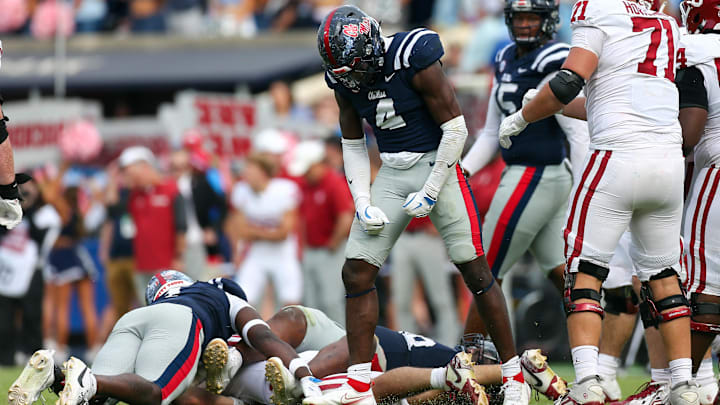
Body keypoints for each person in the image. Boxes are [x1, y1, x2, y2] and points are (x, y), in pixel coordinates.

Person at [313, 6, 528, 404]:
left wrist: (431, 190)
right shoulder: (344, 77)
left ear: (373, 47)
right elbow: (353, 143)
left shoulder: (414, 54)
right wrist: (361, 198)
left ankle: (514, 373)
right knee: (356, 272)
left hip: (438, 164)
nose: (352, 79)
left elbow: (456, 128)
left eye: (355, 68)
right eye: (343, 72)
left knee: (474, 268)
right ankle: (359, 384)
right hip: (392, 173)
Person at [498, 0, 697, 403]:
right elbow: (610, 102)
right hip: (667, 161)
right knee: (664, 277)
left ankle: (588, 381)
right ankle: (684, 385)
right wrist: (540, 103)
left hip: (617, 158)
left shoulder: (599, 9)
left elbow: (570, 80)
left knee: (584, 270)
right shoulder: (666, 23)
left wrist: (523, 118)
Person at [8, 271, 322, 405]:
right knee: (155, 393)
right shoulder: (225, 298)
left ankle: (55, 374)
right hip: (182, 319)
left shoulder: (159, 300)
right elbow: (266, 338)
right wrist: (302, 372)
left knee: (96, 399)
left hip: (132, 319)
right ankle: (88, 381)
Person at [462, 0, 588, 293]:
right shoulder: (505, 56)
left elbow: (578, 134)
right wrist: (464, 169)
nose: (523, 24)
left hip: (537, 173)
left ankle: (475, 340)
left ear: (549, 20)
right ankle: (598, 335)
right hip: (530, 174)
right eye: (518, 18)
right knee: (563, 275)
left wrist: (583, 195)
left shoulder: (556, 57)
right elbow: (492, 131)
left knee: (485, 272)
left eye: (532, 17)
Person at [677, 0, 720, 399]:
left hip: (717, 173)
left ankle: (680, 384)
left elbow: (689, 133)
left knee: (703, 291)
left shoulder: (695, 52)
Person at [288, 140, 354, 324]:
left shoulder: (333, 183)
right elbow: (302, 217)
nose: (305, 174)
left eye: (308, 169)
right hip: (313, 250)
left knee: (331, 301)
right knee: (311, 303)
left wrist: (333, 243)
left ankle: (339, 343)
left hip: (330, 251)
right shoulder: (307, 184)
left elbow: (345, 217)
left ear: (318, 164)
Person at [227, 153, 302, 309]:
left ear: (262, 172)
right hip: (256, 254)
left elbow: (283, 234)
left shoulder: (284, 189)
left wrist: (254, 231)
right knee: (241, 301)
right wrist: (269, 232)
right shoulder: (241, 190)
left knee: (291, 304)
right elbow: (241, 230)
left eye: (250, 168)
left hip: (283, 254)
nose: (245, 172)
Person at [119, 146, 188, 302]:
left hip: (166, 266)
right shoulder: (135, 195)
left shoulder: (170, 189)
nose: (128, 179)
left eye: (130, 173)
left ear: (144, 167)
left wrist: (179, 257)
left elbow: (181, 227)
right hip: (142, 264)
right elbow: (114, 209)